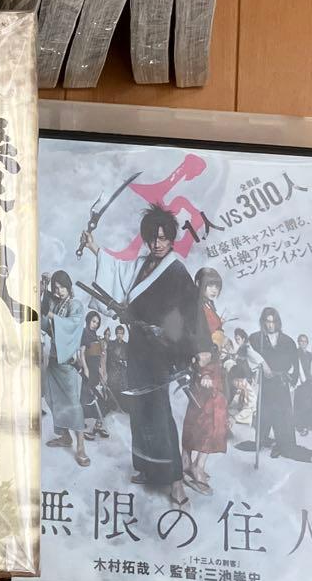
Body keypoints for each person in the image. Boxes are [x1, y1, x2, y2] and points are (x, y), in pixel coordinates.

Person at [83, 204, 207, 507]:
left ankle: (176, 481)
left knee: (160, 411)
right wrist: (94, 247)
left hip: (160, 350)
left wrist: (201, 348)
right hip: (137, 347)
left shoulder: (176, 270)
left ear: (171, 239)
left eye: (163, 238)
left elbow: (193, 311)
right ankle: (147, 468)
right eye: (153, 238)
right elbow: (118, 271)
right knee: (139, 410)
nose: (157, 244)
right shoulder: (142, 264)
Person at [248, 308, 312, 461]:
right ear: (263, 322)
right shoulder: (256, 339)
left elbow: (294, 364)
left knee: (282, 415)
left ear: (278, 322)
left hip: (281, 383)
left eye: (273, 322)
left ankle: (282, 444)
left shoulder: (287, 341)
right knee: (265, 412)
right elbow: (249, 353)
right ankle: (262, 439)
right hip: (266, 383)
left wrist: (292, 380)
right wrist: (262, 366)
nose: (270, 325)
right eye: (267, 321)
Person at [40, 270, 89, 467]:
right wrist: (44, 299)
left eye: (61, 287)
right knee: (52, 398)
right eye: (56, 288)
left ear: (68, 286)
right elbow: (46, 325)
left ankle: (81, 446)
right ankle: (65, 436)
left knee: (73, 404)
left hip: (68, 361)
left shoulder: (75, 305)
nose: (58, 291)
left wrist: (52, 316)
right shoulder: (57, 304)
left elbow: (73, 325)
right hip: (54, 359)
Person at [181, 343, 227, 494]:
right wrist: (205, 373)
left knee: (206, 424)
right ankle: (193, 465)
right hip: (203, 381)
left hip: (211, 382)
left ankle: (192, 464)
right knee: (202, 424)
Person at [81, 311, 109, 440]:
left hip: (95, 371)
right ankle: (86, 429)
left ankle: (98, 426)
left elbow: (98, 355)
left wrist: (101, 370)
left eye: (97, 323)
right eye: (93, 321)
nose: (95, 324)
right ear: (88, 320)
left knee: (101, 399)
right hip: (88, 371)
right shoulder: (84, 333)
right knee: (90, 399)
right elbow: (81, 354)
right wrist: (86, 369)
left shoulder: (95, 335)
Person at [194, 267, 226, 347]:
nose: (214, 290)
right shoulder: (195, 305)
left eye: (217, 286)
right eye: (210, 285)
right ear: (198, 283)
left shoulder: (209, 305)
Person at [107, 325, 129, 402]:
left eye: (121, 333)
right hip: (113, 370)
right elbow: (109, 356)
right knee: (113, 390)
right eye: (118, 333)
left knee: (123, 390)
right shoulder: (111, 344)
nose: (120, 335)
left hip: (123, 371)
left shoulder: (126, 345)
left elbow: (127, 357)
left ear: (123, 334)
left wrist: (125, 362)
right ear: (116, 334)